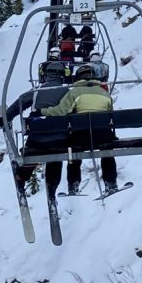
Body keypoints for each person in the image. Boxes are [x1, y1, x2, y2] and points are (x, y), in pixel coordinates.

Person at [38, 64, 118, 194]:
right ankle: (111, 182)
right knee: (107, 152)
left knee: (73, 153)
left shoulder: (74, 92)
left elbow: (61, 110)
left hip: (81, 137)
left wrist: (44, 111)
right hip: (103, 135)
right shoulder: (105, 93)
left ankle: (73, 184)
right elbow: (111, 116)